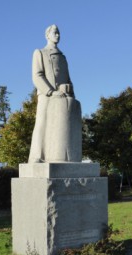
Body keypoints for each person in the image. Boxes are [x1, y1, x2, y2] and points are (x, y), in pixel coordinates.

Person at [28, 25, 79, 163]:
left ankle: (59, 156)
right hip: (47, 95)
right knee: (42, 123)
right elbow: (37, 76)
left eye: (59, 33)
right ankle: (37, 156)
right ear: (47, 35)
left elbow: (68, 78)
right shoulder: (40, 52)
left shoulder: (63, 57)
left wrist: (70, 91)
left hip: (63, 96)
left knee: (60, 127)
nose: (58, 35)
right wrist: (51, 91)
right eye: (55, 33)